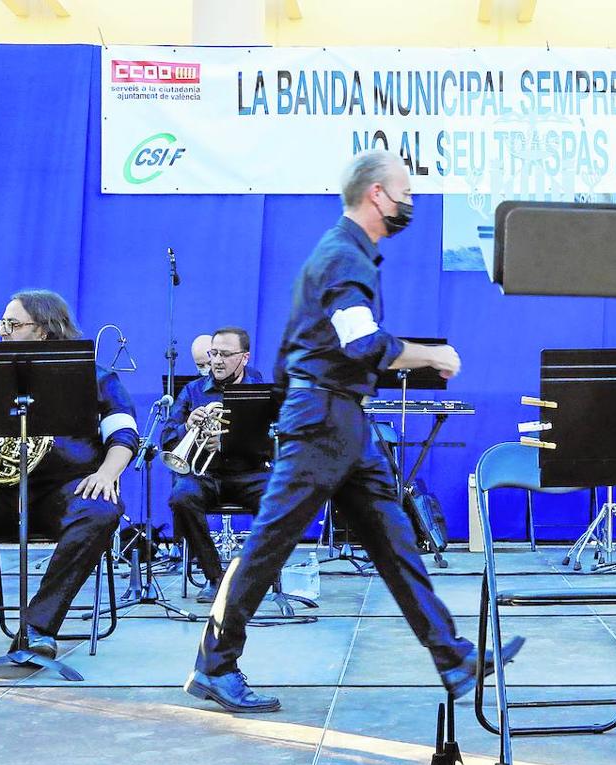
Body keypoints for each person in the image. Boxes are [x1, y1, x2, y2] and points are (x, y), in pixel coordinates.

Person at [184, 150, 523, 713]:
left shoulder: (351, 254)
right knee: (270, 543)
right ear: (376, 195)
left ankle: (452, 656)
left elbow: (352, 346)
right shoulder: (344, 257)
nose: (410, 202)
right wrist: (426, 354)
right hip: (321, 421)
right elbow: (360, 342)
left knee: (393, 540)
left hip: (341, 418)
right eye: (404, 192)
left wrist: (403, 361)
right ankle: (214, 665)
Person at [0, 290, 138, 673]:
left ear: (44, 331)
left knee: (102, 510)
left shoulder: (95, 376)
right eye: (2, 323)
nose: (3, 332)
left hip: (62, 492)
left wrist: (106, 474)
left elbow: (124, 433)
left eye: (13, 325)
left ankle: (38, 628)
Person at [161, 326, 267, 602]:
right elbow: (167, 436)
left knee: (278, 499)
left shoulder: (259, 388)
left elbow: (272, 439)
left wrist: (227, 444)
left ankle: (254, 575)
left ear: (244, 357)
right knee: (181, 498)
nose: (217, 361)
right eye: (214, 353)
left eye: (225, 354)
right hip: (205, 475)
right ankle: (214, 576)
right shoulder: (193, 391)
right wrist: (187, 426)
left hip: (248, 472)